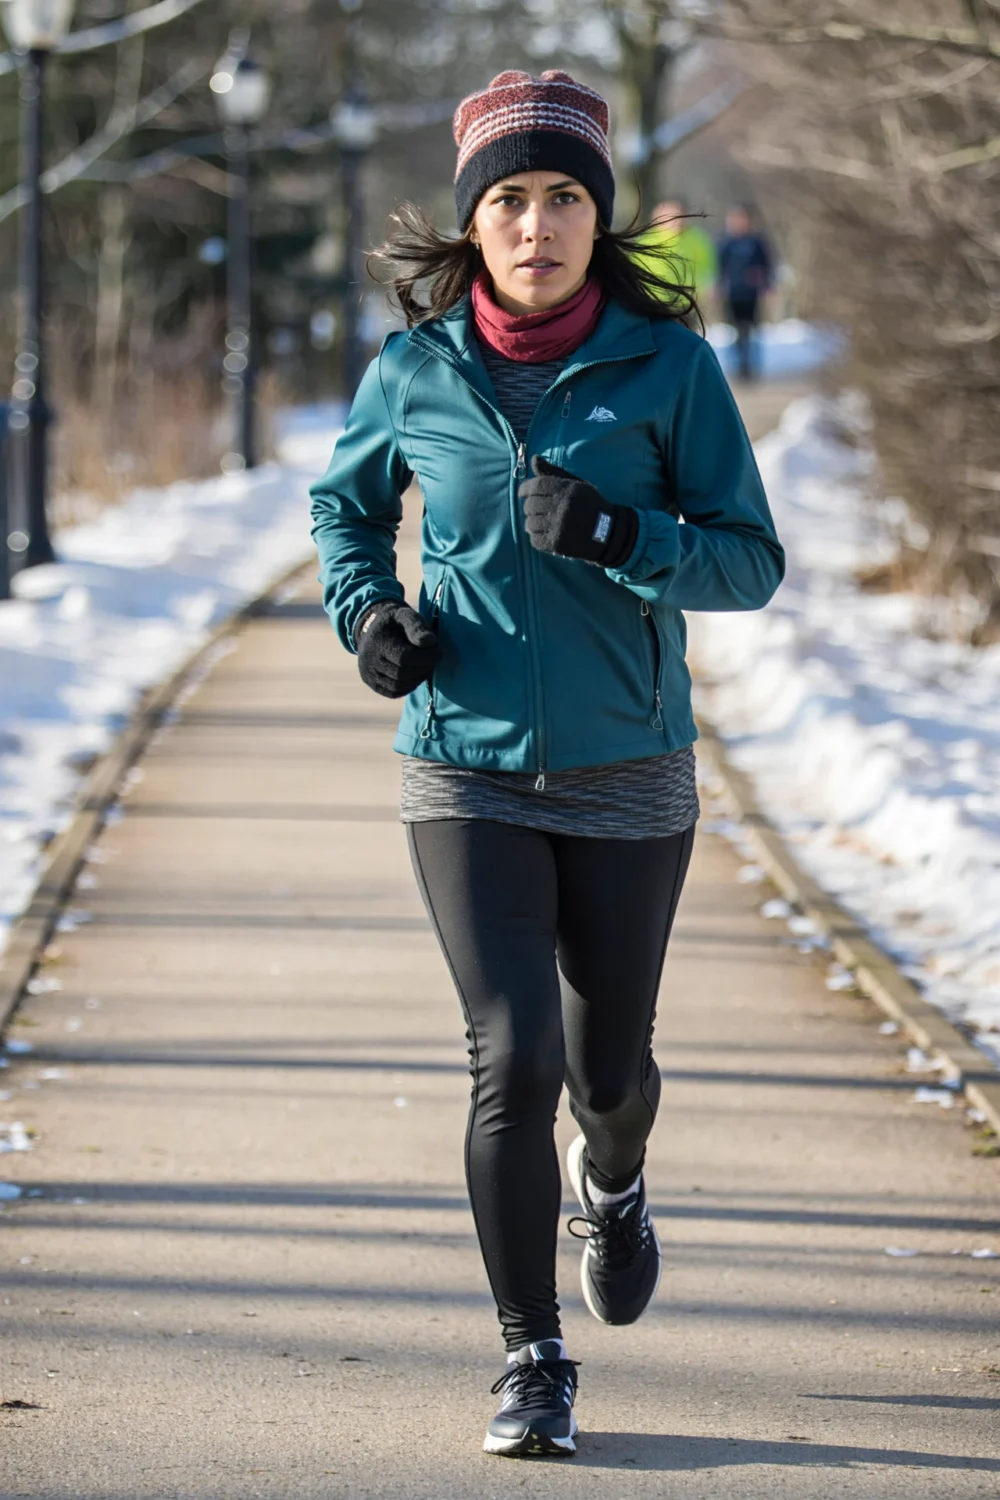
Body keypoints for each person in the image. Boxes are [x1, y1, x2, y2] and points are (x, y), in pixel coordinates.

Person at [310, 69, 784, 1460]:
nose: (536, 222)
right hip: (462, 766)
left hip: (629, 767)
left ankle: (619, 1180)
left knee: (606, 1070)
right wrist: (371, 617)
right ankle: (531, 1355)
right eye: (508, 198)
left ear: (598, 217)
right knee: (509, 1057)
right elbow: (345, 514)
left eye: (563, 195)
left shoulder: (670, 368)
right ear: (474, 224)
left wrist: (623, 540)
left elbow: (750, 563)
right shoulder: (414, 370)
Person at [716, 203, 773, 380]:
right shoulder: (726, 243)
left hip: (751, 293)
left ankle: (751, 366)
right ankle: (737, 366)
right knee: (735, 330)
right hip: (732, 293)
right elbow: (718, 267)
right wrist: (718, 286)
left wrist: (767, 285)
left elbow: (767, 265)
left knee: (752, 331)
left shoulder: (757, 243)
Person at [635, 195, 717, 311]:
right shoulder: (646, 241)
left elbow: (707, 270)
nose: (677, 221)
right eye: (671, 216)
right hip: (654, 301)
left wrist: (703, 290)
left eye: (680, 215)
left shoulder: (697, 240)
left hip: (686, 302)